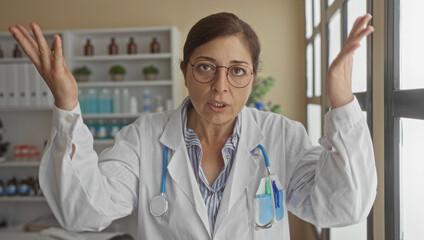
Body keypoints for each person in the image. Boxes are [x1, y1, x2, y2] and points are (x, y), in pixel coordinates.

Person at [9, 12, 376, 239]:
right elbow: (83, 212)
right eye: (205, 67)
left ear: (251, 78)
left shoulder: (281, 137)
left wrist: (342, 100)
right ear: (184, 71)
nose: (220, 86)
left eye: (237, 71)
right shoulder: (144, 137)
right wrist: (67, 105)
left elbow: (343, 207)